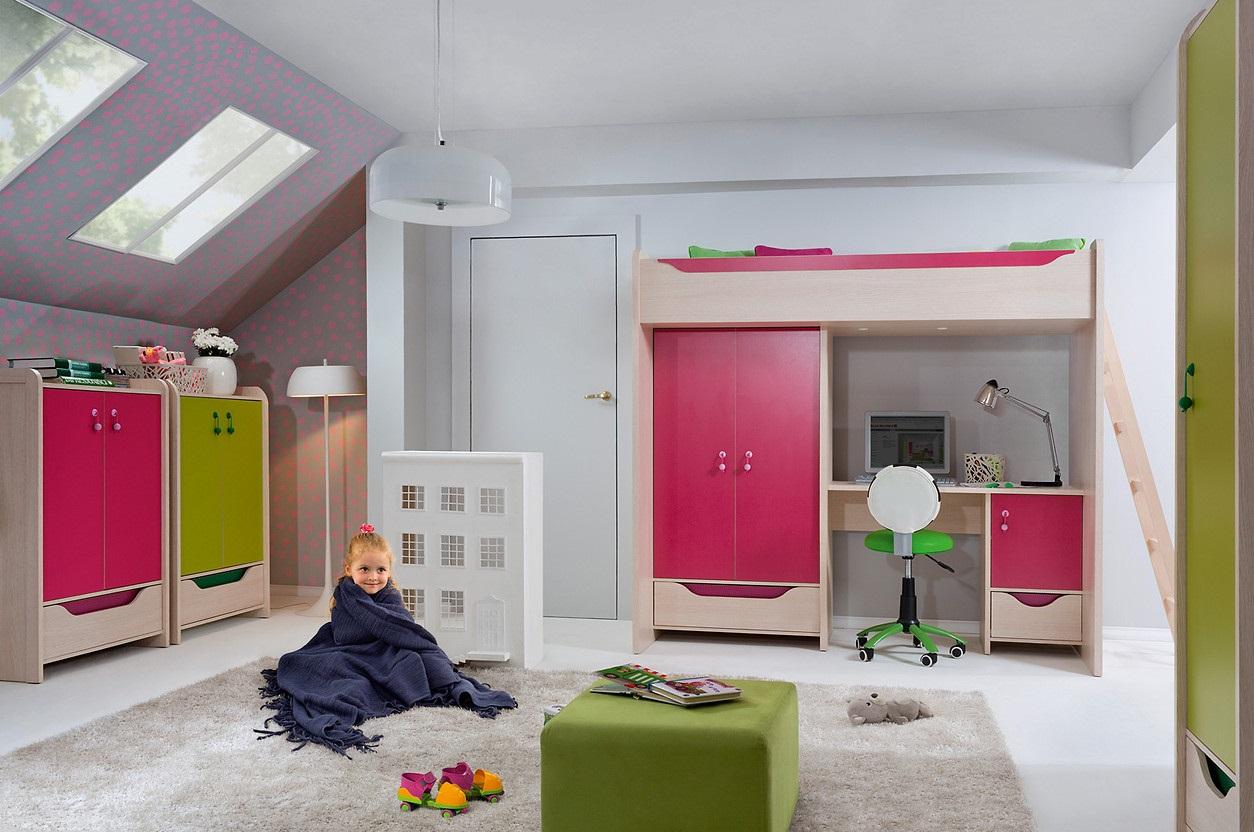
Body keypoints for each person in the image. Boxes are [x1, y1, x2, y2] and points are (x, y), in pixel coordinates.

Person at [257, 522, 517, 755]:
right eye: (364, 569)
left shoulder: (390, 595)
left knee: (414, 660)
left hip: (387, 647)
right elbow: (345, 634)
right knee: (331, 676)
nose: (373, 577)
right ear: (349, 569)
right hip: (352, 648)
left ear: (389, 570)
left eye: (381, 569)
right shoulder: (345, 595)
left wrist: (383, 634)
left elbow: (404, 629)